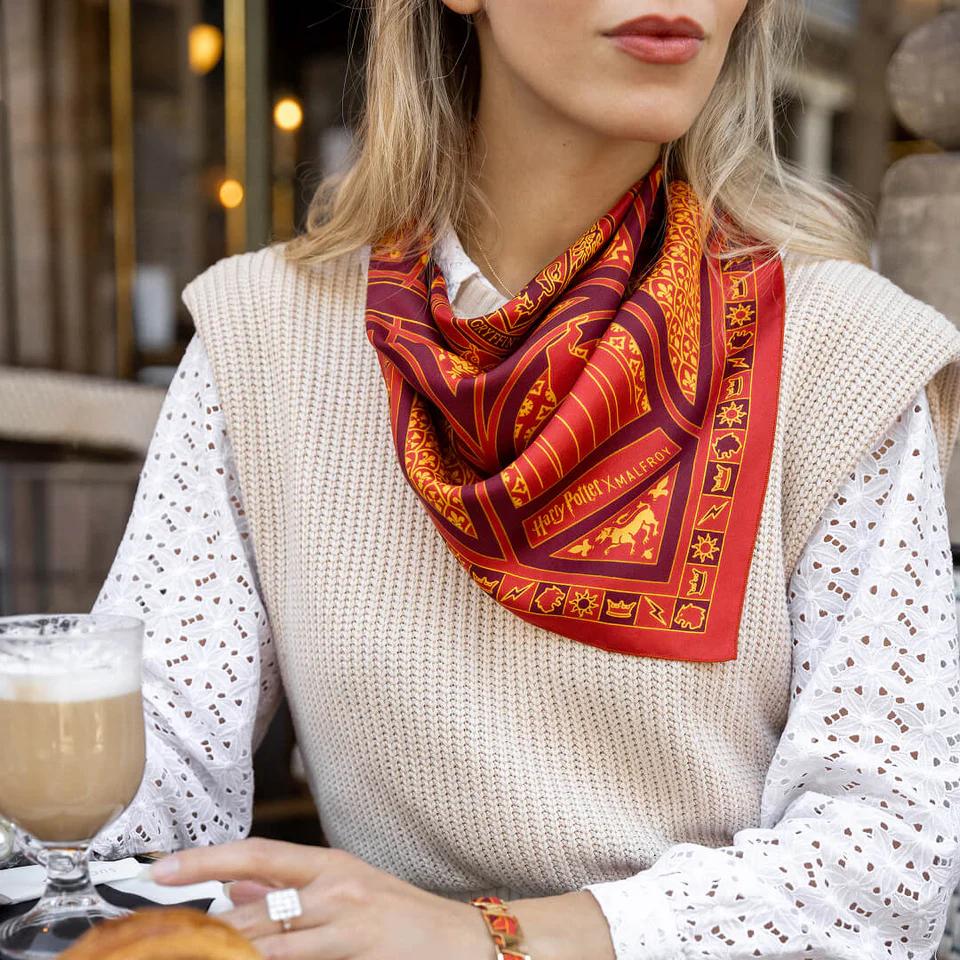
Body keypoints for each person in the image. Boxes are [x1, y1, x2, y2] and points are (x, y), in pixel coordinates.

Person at [93, 1, 960, 957]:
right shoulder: (264, 335)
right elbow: (144, 766)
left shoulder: (846, 354)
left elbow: (887, 860)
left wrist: (490, 938)